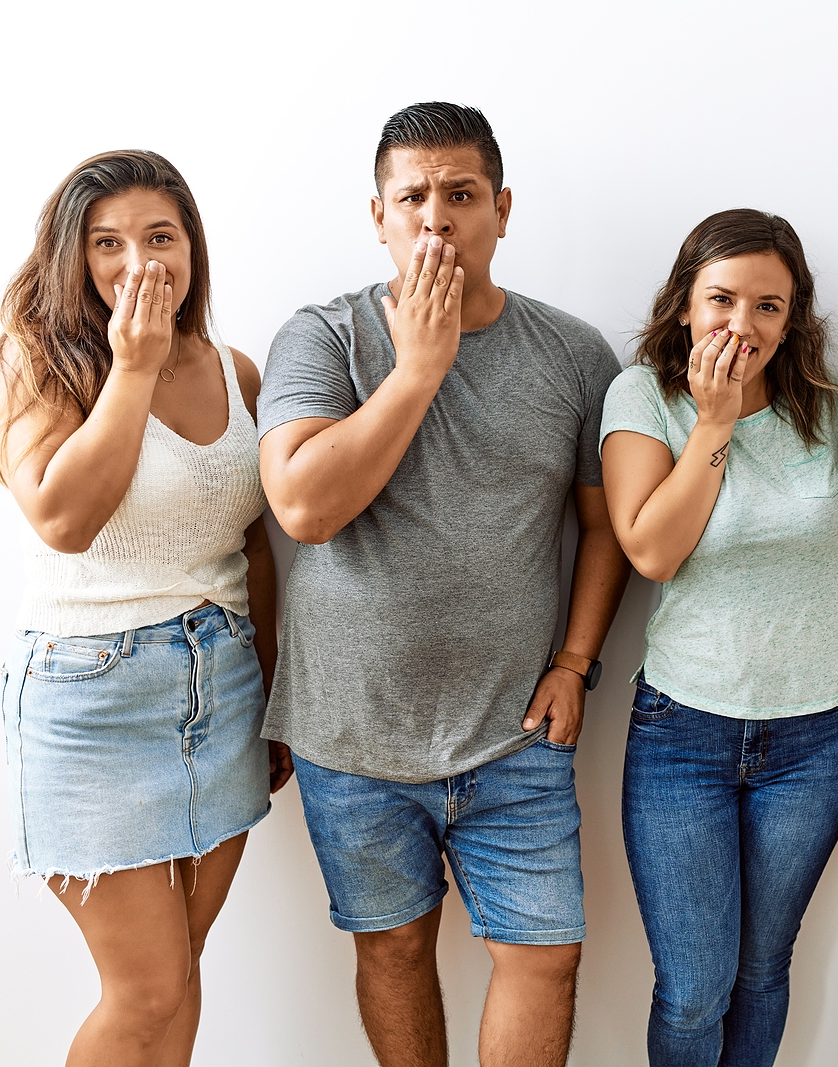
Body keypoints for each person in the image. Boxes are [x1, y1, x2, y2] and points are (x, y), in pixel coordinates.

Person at [257, 102, 630, 1067]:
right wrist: (419, 370)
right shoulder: (322, 336)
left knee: (544, 956)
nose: (436, 220)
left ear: (501, 209)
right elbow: (302, 508)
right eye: (412, 197)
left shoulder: (575, 354)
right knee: (393, 947)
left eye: (460, 194)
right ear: (376, 215)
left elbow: (603, 527)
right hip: (352, 728)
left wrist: (577, 664)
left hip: (517, 729)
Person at [0, 150, 287, 1067]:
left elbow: (259, 544)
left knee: (179, 975)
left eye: (160, 236)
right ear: (73, 258)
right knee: (146, 990)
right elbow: (65, 519)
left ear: (193, 247)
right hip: (92, 700)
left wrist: (274, 695)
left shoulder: (238, 372)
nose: (137, 261)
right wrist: (133, 368)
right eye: (107, 243)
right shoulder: (38, 364)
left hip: (223, 684)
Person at [600, 208, 838, 1067]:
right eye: (722, 299)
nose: (743, 324)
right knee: (693, 991)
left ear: (793, 317)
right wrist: (715, 424)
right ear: (685, 305)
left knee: (763, 971)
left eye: (769, 305)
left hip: (812, 738)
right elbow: (650, 548)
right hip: (683, 733)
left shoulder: (823, 408)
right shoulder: (643, 396)